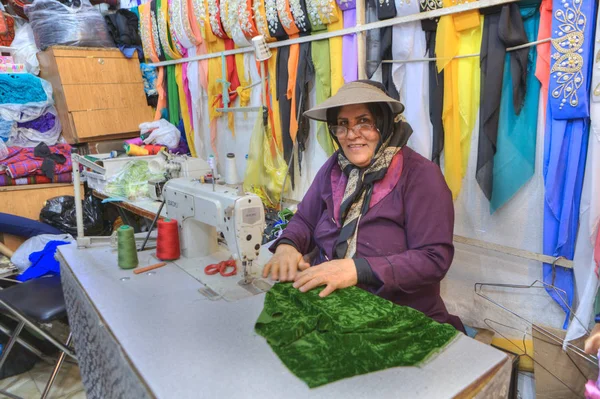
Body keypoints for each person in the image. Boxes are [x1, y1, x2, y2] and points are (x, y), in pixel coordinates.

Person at [262, 80, 465, 333]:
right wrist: (288, 246)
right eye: (343, 125)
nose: (351, 134)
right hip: (336, 306)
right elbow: (305, 219)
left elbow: (434, 259)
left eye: (364, 122)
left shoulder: (421, 176)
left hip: (400, 317)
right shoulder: (335, 168)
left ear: (384, 122)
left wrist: (357, 270)